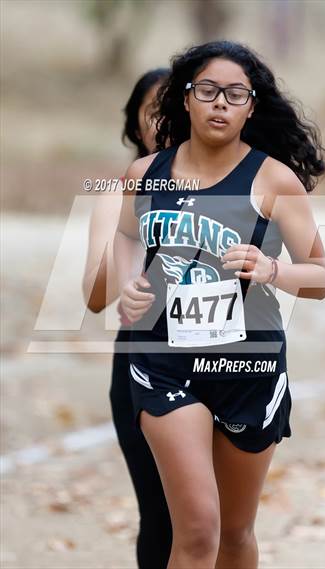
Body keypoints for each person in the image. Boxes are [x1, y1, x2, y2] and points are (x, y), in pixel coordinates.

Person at [115, 40, 325, 569]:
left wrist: (273, 269)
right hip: (165, 361)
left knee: (234, 534)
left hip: (247, 366)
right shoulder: (143, 175)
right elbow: (124, 240)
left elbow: (321, 276)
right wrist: (127, 284)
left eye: (236, 94)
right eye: (208, 90)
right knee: (197, 530)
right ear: (185, 99)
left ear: (251, 106)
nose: (220, 104)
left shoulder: (274, 180)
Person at [82, 68, 172, 569]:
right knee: (162, 516)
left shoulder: (237, 180)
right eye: (151, 112)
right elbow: (95, 298)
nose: (165, 121)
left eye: (174, 108)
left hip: (222, 361)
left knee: (219, 518)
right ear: (136, 129)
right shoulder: (120, 191)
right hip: (144, 361)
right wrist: (128, 229)